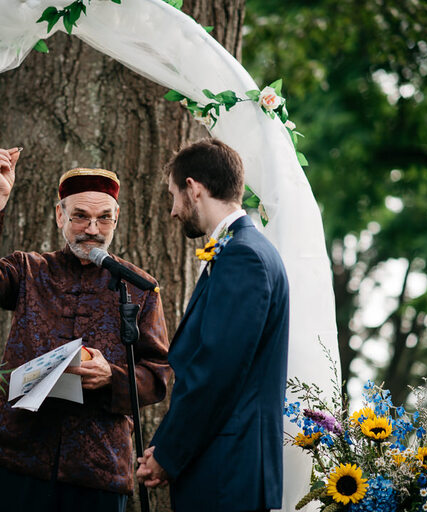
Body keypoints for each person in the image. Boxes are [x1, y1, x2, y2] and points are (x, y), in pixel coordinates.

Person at [0, 147, 171, 512]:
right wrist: (0, 197)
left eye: (104, 218)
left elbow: (159, 376)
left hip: (98, 466)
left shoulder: (139, 287)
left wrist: (111, 376)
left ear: (116, 218)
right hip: (20, 456)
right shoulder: (29, 270)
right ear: (60, 215)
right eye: (80, 216)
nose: (92, 229)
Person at [136, 139, 289, 512]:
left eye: (174, 195)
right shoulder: (246, 249)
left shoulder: (243, 256)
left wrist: (169, 453)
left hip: (228, 470)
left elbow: (216, 371)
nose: (173, 211)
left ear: (194, 188)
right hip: (228, 465)